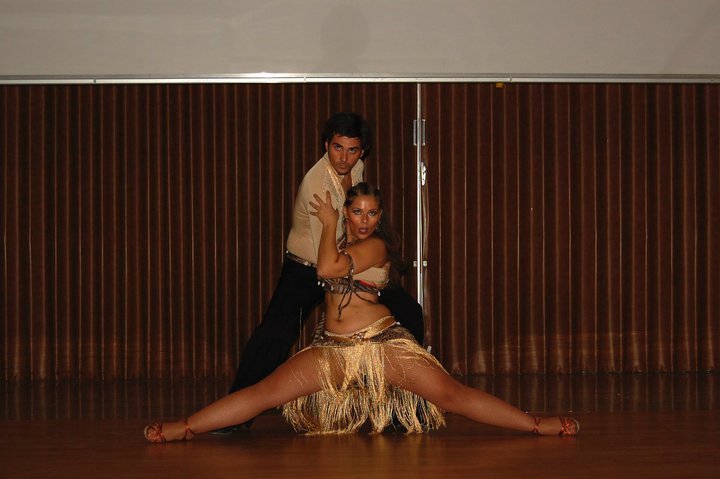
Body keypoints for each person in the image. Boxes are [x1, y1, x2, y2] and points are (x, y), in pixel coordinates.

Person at [144, 183, 579, 441]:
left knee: (451, 395)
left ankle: (536, 424)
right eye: (356, 212)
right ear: (349, 214)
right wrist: (329, 224)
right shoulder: (339, 243)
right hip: (331, 349)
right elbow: (323, 263)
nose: (364, 219)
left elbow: (327, 269)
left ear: (379, 216)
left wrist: (328, 222)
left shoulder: (376, 247)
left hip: (381, 346)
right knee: (263, 393)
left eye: (372, 212)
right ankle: (184, 427)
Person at [218, 113, 424, 434]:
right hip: (307, 267)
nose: (343, 158)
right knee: (274, 336)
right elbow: (327, 257)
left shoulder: (356, 169)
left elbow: (352, 227)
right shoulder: (317, 184)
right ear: (326, 145)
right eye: (337, 148)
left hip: (343, 262)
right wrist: (368, 260)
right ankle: (234, 415)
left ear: (362, 152)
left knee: (409, 314)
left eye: (352, 150)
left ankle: (405, 408)